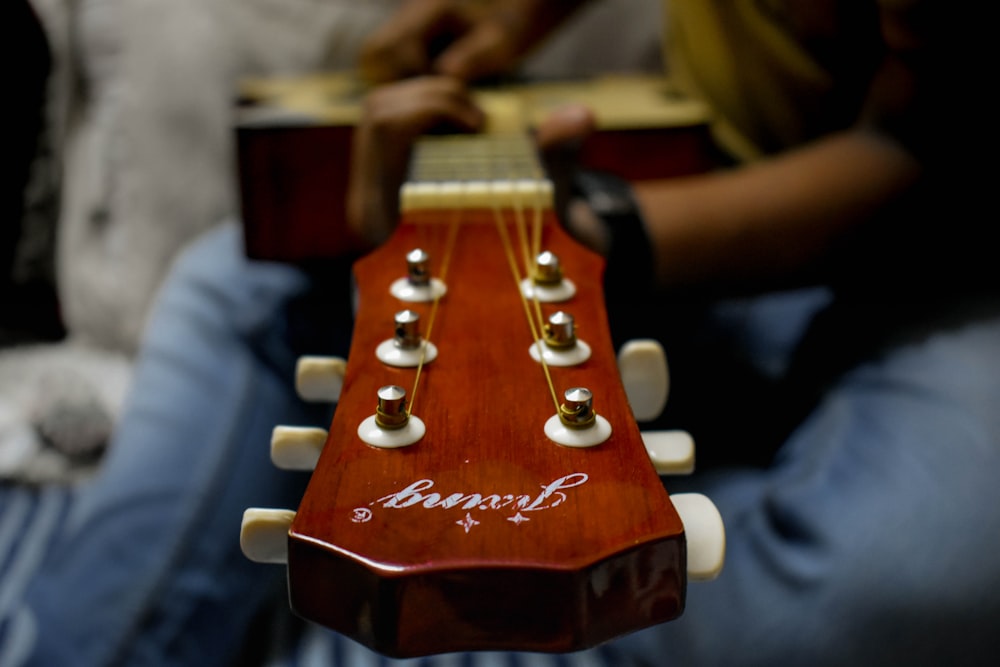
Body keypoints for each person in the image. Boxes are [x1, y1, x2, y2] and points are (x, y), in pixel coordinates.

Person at [3, 1, 999, 666]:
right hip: (682, 171)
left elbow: (921, 153)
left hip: (913, 249)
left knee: (919, 567)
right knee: (229, 278)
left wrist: (608, 232)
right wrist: (506, 20)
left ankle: (552, 576)